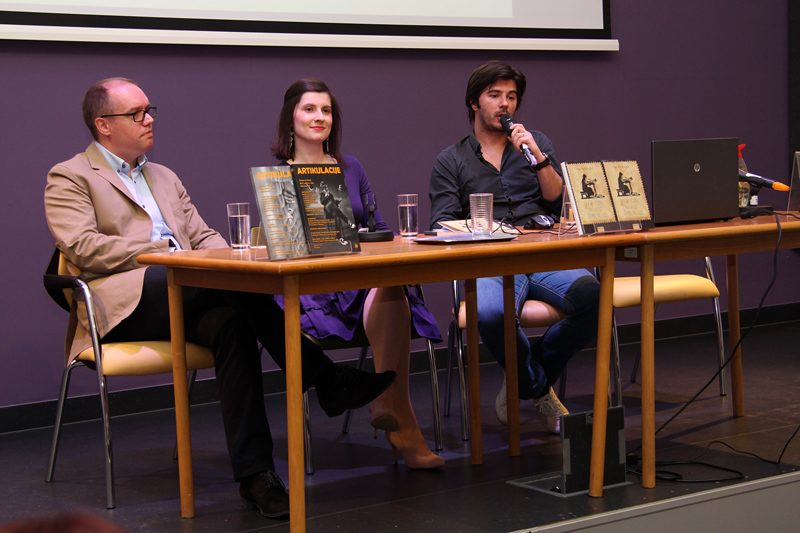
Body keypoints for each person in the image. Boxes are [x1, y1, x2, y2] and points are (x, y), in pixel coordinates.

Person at [43, 78, 397, 519]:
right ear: (104, 125)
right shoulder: (70, 176)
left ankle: (256, 478)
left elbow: (204, 235)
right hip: (124, 302)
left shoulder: (163, 176)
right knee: (224, 285)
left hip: (185, 290)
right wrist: (166, 253)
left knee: (233, 322)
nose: (149, 119)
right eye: (137, 114)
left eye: (150, 110)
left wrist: (230, 258)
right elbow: (83, 247)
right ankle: (325, 378)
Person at [271, 78, 445, 469]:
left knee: (393, 283)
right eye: (309, 109)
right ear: (290, 117)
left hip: (363, 280)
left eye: (326, 110)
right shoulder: (278, 177)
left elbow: (378, 228)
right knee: (392, 289)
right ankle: (401, 423)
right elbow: (288, 250)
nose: (320, 117)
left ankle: (385, 400)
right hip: (315, 289)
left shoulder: (351, 167)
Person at [428, 61, 600, 434]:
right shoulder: (451, 160)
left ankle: (522, 376)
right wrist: (483, 228)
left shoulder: (535, 145)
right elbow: (440, 223)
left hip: (543, 254)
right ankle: (537, 387)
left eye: (511, 96)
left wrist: (538, 158)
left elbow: (557, 202)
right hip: (490, 258)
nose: (504, 104)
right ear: (474, 102)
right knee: (490, 313)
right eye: (494, 96)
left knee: (594, 296)